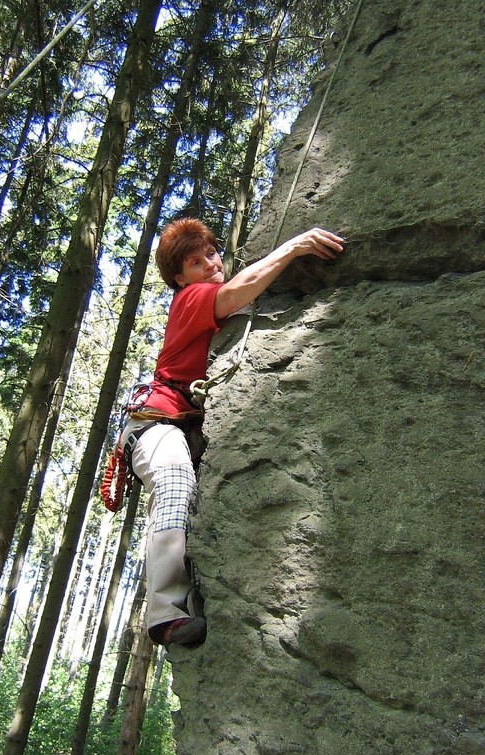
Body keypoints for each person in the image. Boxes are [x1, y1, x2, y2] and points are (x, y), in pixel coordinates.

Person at [121, 218, 344, 648]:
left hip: (184, 430)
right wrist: (293, 246)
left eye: (212, 254)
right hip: (156, 425)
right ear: (178, 278)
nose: (209, 264)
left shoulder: (206, 298)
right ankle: (164, 613)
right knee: (173, 482)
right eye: (194, 261)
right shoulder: (190, 299)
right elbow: (235, 293)